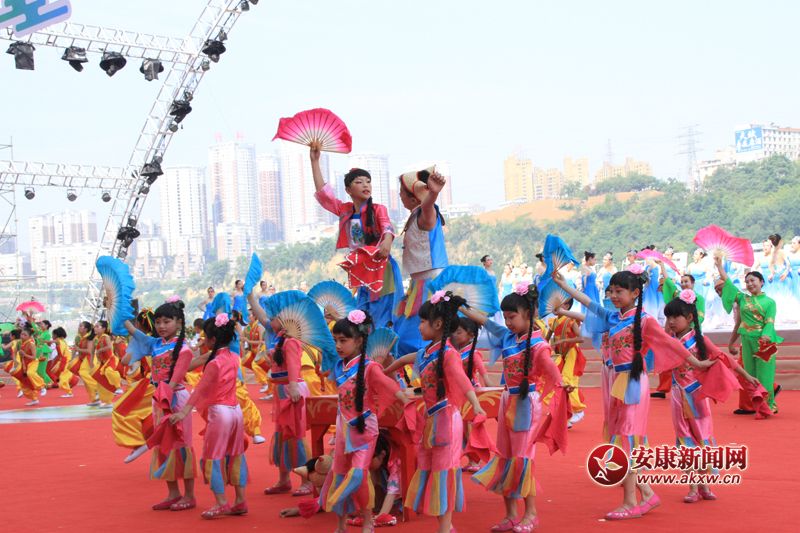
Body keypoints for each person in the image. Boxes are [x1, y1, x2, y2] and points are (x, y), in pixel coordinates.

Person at [553, 267, 713, 521]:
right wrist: (564, 285)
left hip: (634, 382)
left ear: (635, 293)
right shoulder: (613, 317)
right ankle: (646, 495)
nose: (614, 295)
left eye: (620, 291)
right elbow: (589, 304)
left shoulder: (645, 321)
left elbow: (671, 343)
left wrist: (696, 362)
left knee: (627, 438)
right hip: (618, 382)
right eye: (612, 291)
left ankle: (631, 502)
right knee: (620, 437)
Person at [463, 284, 565, 533]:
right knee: (505, 457)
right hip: (507, 399)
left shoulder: (538, 345)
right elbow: (485, 321)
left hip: (526, 403)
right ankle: (510, 515)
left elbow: (551, 369)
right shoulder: (508, 336)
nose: (508, 322)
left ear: (528, 314)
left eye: (512, 317)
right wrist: (461, 307)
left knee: (522, 459)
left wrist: (563, 385)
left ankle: (531, 514)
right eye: (506, 318)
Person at [385, 291, 485, 533]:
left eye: (422, 321)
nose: (418, 326)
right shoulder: (429, 352)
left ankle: (445, 527)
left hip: (446, 419)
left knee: (443, 472)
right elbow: (405, 359)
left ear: (438, 324)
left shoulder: (449, 354)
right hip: (433, 419)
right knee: (433, 470)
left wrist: (476, 404)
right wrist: (384, 370)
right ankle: (445, 527)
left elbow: (462, 380)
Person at [663, 292, 759, 503]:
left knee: (703, 436)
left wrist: (746, 376)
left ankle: (704, 485)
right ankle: (692, 488)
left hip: (698, 395)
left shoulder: (700, 340)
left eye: (675, 317)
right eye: (668, 317)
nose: (671, 321)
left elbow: (724, 359)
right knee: (684, 439)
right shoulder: (670, 340)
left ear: (689, 318)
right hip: (678, 395)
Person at [318, 310, 409, 533]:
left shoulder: (370, 367)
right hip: (343, 426)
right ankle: (341, 524)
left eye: (343, 340)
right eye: (336, 340)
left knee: (358, 474)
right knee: (340, 472)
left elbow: (387, 385)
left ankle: (367, 520)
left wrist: (404, 398)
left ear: (359, 341)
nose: (338, 345)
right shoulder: (341, 366)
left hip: (365, 428)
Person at [311, 148, 403, 329]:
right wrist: (315, 161)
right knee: (362, 314)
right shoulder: (345, 210)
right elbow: (324, 196)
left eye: (368, 182)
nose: (365, 185)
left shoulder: (378, 209)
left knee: (382, 314)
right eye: (359, 182)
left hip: (380, 268)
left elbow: (387, 226)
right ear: (348, 189)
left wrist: (387, 240)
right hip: (360, 269)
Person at [169, 314, 249, 519]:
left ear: (213, 340)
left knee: (212, 457)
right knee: (236, 454)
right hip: (235, 411)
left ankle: (221, 502)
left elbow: (200, 389)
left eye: (205, 337)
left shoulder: (214, 362)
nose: (203, 340)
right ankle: (240, 500)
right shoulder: (234, 357)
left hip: (220, 412)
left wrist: (183, 412)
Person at [124, 298, 197, 511]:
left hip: (176, 399)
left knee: (182, 445)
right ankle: (173, 493)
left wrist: (165, 400)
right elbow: (133, 331)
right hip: (159, 399)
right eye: (158, 322)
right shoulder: (155, 344)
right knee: (164, 445)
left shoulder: (184, 349)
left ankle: (189, 495)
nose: (162, 326)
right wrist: (118, 310)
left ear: (179, 323)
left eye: (167, 321)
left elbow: (175, 380)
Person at [247, 290, 313, 496]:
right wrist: (251, 297)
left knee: (296, 435)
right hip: (283, 389)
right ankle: (284, 479)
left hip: (291, 389)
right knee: (283, 434)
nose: (269, 320)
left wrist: (292, 387)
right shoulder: (279, 338)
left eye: (273, 317)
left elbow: (293, 365)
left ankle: (306, 480)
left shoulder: (291, 341)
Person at [716, 254, 782, 413]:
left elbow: (769, 322)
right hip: (746, 341)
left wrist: (766, 335)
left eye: (753, 280)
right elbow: (728, 283)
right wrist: (719, 266)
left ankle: (768, 405)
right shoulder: (743, 299)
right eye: (747, 282)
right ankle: (756, 405)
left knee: (764, 375)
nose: (750, 284)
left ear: (761, 282)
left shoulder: (770, 302)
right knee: (750, 374)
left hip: (764, 342)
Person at [393, 167, 449, 354]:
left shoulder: (425, 214)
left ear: (413, 198)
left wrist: (433, 193)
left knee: (414, 339)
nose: (399, 196)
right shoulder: (416, 215)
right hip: (419, 283)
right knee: (407, 336)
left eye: (402, 192)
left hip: (430, 285)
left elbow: (427, 208)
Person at [450, 316, 490, 473]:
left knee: (470, 429)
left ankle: (474, 460)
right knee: (461, 429)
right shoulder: (454, 352)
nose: (455, 335)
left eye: (459, 332)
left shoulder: (474, 353)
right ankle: (468, 459)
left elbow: (483, 373)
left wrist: (492, 389)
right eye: (454, 332)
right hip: (458, 394)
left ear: (471, 335)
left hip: (471, 394)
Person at [550, 300, 587, 427]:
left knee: (567, 380)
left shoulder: (570, 321)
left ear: (566, 306)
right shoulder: (553, 322)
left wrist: (564, 340)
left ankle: (578, 409)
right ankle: (564, 412)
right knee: (557, 381)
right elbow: (546, 338)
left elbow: (581, 338)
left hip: (571, 352)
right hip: (560, 354)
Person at [92, 320, 121, 408]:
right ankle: (107, 401)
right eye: (95, 326)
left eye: (97, 326)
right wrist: (93, 361)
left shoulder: (106, 337)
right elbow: (93, 351)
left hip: (110, 359)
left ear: (104, 329)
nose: (95, 328)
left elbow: (109, 347)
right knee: (99, 380)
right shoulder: (96, 339)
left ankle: (118, 387)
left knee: (109, 371)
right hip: (102, 362)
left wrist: (100, 350)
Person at [70, 321, 99, 406]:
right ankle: (94, 399)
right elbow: (75, 349)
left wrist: (78, 349)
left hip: (89, 358)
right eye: (79, 325)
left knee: (83, 373)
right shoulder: (79, 337)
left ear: (86, 329)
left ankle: (98, 389)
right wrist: (71, 359)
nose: (79, 327)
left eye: (81, 326)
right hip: (83, 359)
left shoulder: (89, 338)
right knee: (86, 381)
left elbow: (89, 351)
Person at [18, 325, 44, 406]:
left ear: (29, 336)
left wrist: (24, 354)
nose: (22, 336)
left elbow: (34, 357)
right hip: (25, 363)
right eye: (22, 334)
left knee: (30, 373)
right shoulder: (20, 343)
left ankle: (42, 387)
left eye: (25, 335)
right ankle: (34, 399)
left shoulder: (31, 344)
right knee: (24, 383)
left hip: (33, 362)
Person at [49, 326, 75, 397]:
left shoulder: (58, 341)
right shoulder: (63, 341)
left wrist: (44, 341)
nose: (52, 336)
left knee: (62, 377)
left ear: (56, 335)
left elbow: (52, 342)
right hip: (65, 359)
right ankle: (72, 380)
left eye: (53, 334)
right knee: (61, 374)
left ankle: (69, 392)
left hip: (64, 360)